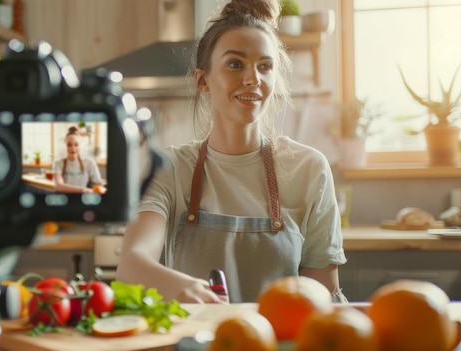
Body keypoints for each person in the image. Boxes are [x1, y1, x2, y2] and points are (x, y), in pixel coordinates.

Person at [116, 0, 348, 304]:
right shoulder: (168, 167)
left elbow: (324, 293)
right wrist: (180, 288)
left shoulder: (309, 168)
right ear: (203, 81)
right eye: (235, 64)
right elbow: (131, 264)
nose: (253, 79)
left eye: (264, 66)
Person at [52, 126, 105, 194]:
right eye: (69, 145)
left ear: (80, 146)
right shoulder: (58, 163)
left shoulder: (90, 163)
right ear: (65, 146)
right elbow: (58, 186)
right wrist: (83, 190)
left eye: (76, 145)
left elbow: (98, 185)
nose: (73, 148)